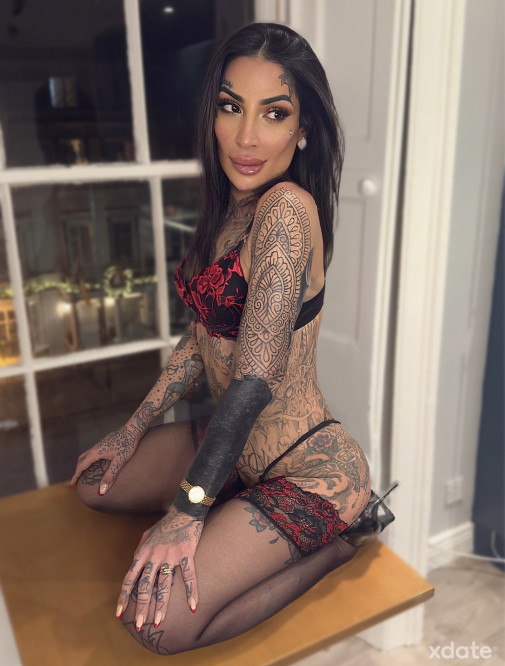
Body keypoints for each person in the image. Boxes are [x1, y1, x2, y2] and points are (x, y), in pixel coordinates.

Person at [68, 22, 396, 655]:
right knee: (95, 484)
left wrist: (189, 510)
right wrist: (131, 429)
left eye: (273, 113)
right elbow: (201, 341)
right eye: (230, 107)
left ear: (303, 128)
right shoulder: (233, 208)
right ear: (212, 115)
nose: (246, 137)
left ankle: (344, 537)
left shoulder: (286, 211)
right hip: (235, 451)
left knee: (156, 625)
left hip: (307, 470)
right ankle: (235, 498)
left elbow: (254, 377)